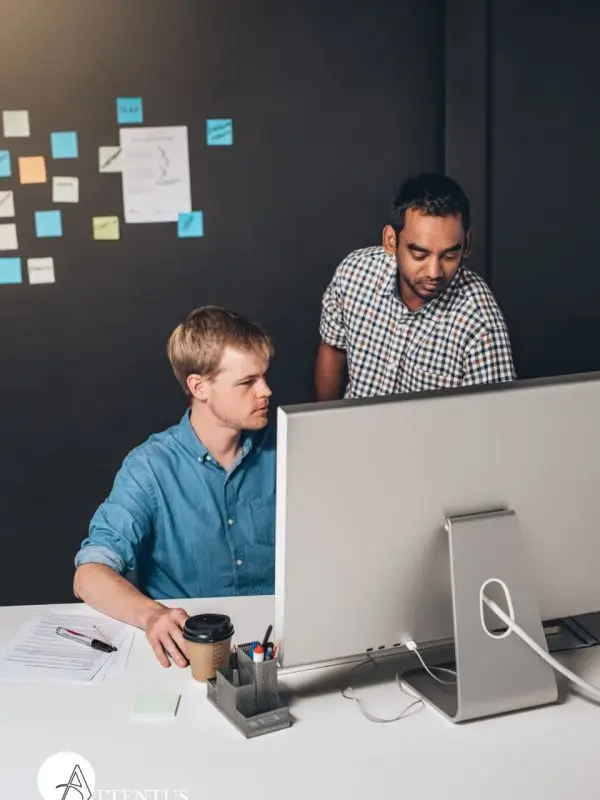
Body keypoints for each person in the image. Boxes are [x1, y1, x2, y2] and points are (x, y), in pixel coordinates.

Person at [73, 306, 275, 668]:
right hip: (186, 650)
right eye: (248, 382)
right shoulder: (150, 467)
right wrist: (151, 615)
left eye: (264, 376)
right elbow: (89, 574)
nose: (266, 391)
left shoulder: (287, 448)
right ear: (199, 387)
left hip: (275, 642)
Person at [315, 173, 516, 400]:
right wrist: (325, 420)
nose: (434, 272)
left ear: (467, 244)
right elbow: (333, 349)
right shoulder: (354, 274)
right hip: (352, 422)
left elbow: (492, 416)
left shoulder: (481, 324)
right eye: (419, 254)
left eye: (449, 255)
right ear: (391, 241)